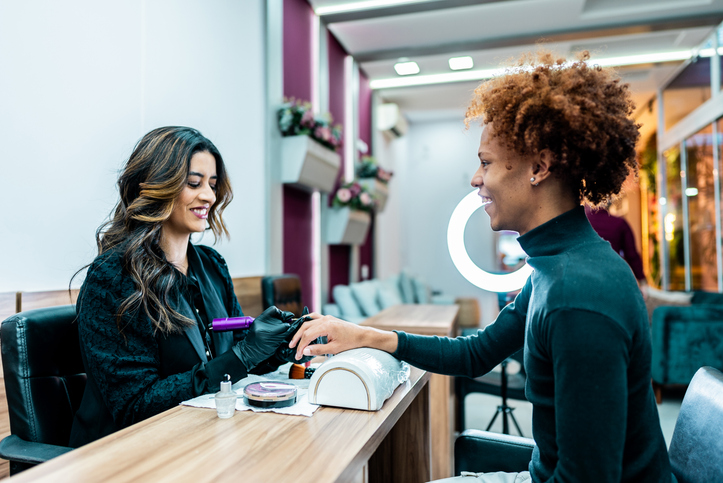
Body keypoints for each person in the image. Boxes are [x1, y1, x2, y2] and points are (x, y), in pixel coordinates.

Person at [290, 51, 674, 482]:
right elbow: (476, 354)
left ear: (539, 167)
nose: (476, 178)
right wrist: (365, 336)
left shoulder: (578, 295)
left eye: (486, 162)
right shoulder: (557, 268)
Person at [69, 127, 307, 447]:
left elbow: (236, 355)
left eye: (212, 184)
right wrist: (241, 354)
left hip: (202, 437)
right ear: (157, 185)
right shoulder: (113, 279)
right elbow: (135, 407)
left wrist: (287, 344)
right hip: (130, 453)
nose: (209, 196)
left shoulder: (211, 265)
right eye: (194, 183)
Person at [585, 203, 647, 286]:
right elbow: (632, 255)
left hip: (585, 277)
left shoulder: (581, 223)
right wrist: (642, 280)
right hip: (612, 278)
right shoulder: (619, 223)